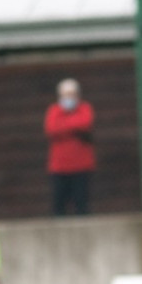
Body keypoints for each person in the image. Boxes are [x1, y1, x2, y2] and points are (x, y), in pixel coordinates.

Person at [44, 78, 95, 215]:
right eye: (66, 95)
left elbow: (85, 123)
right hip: (59, 167)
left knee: (81, 204)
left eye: (72, 94)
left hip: (81, 166)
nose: (69, 98)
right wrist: (73, 126)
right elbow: (52, 129)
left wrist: (65, 125)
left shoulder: (85, 108)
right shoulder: (54, 110)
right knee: (59, 204)